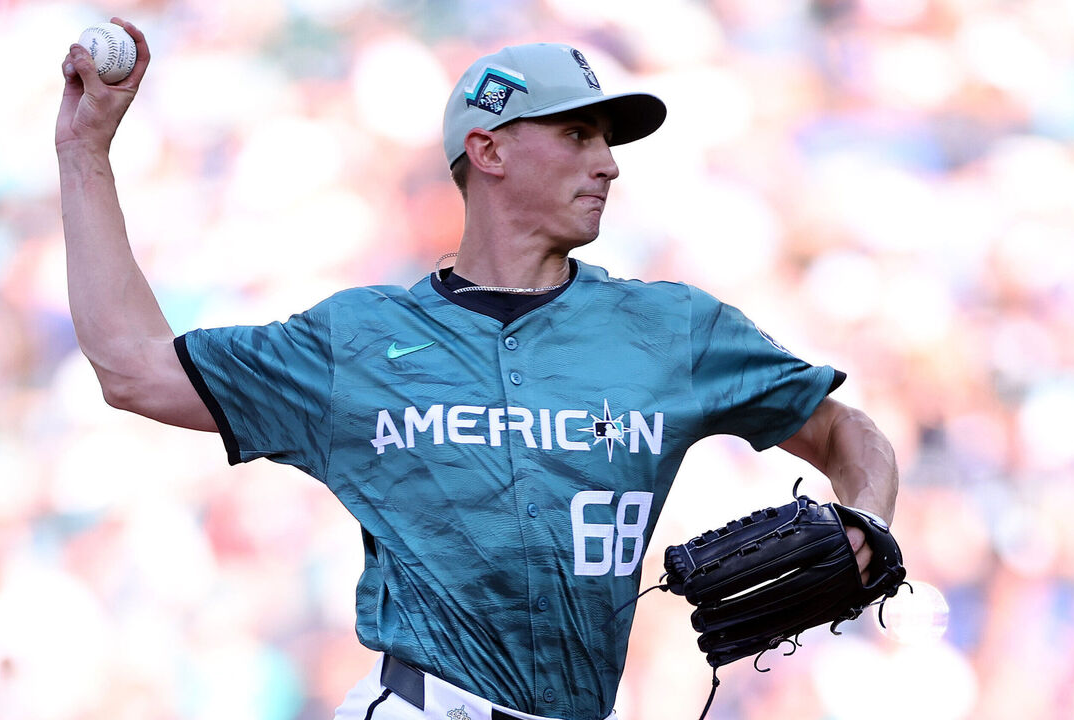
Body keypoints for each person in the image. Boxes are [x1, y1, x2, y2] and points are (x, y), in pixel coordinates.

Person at [57, 19, 898, 720]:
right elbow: (133, 368)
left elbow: (843, 430)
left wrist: (869, 519)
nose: (606, 161)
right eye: (577, 134)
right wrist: (84, 149)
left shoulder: (675, 329)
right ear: (488, 151)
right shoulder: (358, 340)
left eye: (607, 140)